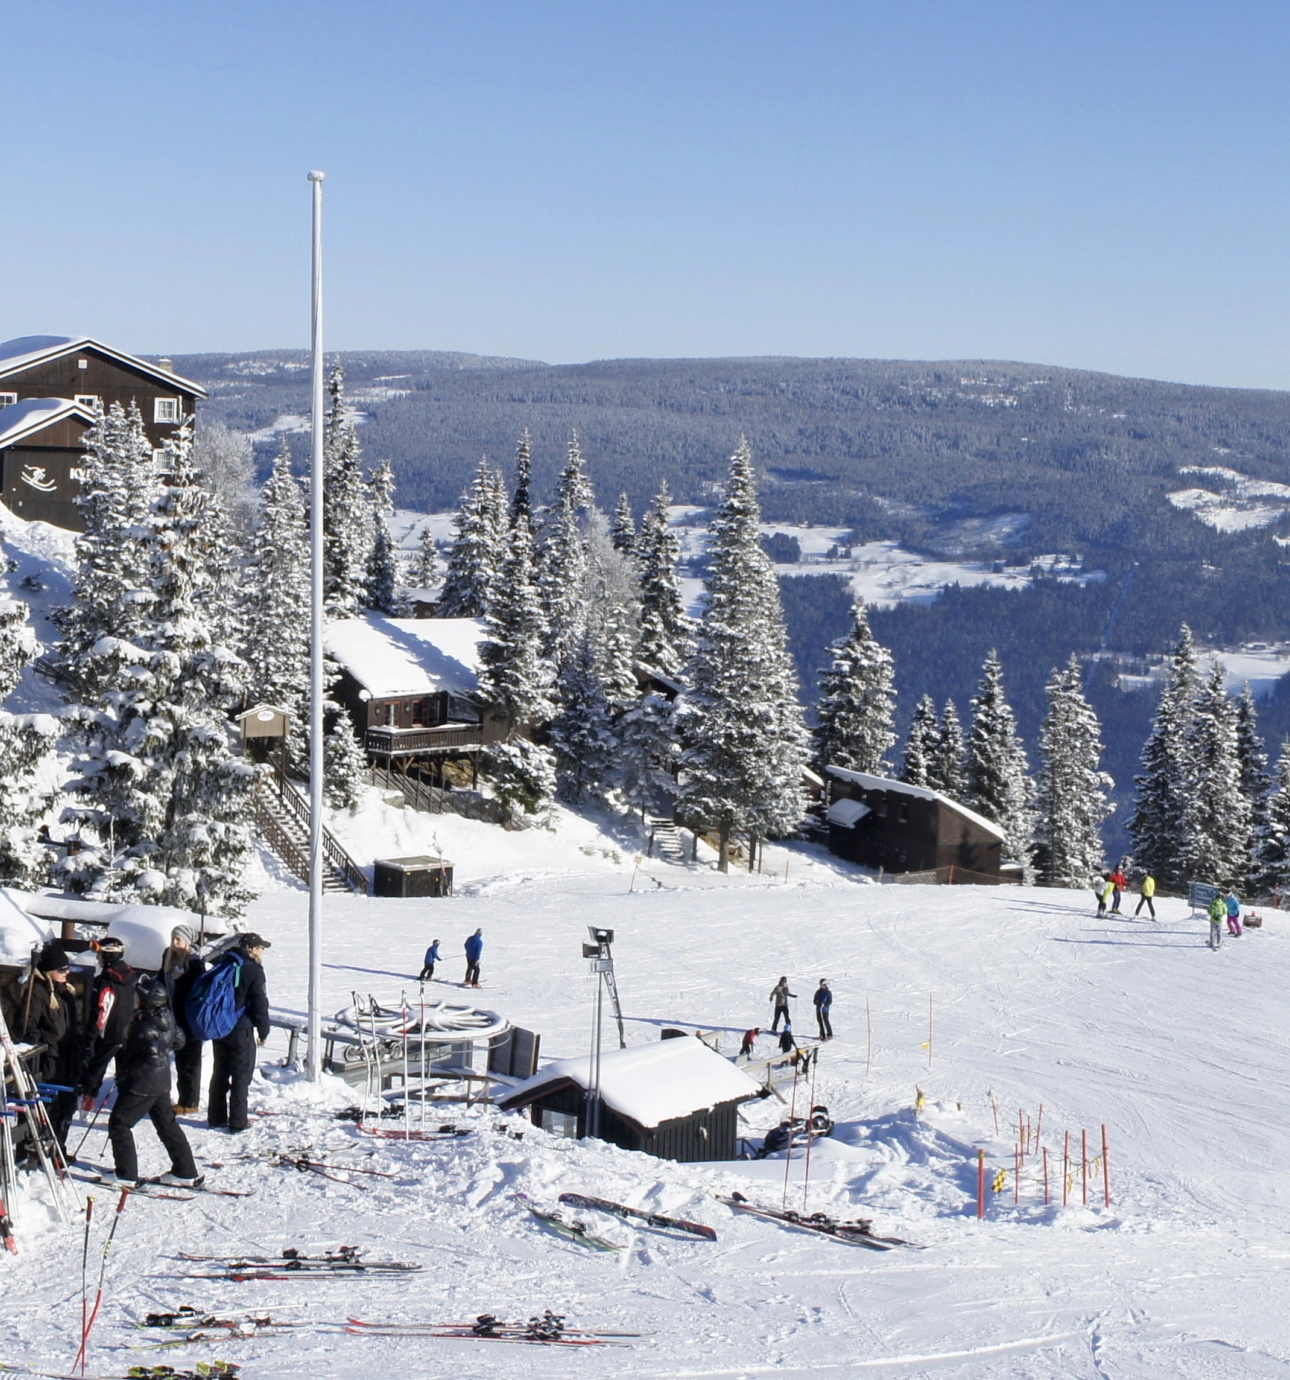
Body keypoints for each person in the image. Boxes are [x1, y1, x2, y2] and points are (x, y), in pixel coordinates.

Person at [101, 974, 201, 1188]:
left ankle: (126, 1175)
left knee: (120, 1124)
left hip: (142, 1083)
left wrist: (126, 1073)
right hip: (161, 1080)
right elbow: (179, 1040)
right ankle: (185, 1171)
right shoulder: (166, 1017)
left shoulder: (143, 1025)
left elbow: (147, 1053)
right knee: (167, 1124)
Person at [18, 941, 84, 1157]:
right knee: (47, 1107)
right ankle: (35, 1149)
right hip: (49, 1059)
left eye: (67, 968)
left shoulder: (65, 993)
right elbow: (27, 1025)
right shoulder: (37, 992)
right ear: (49, 971)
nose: (67, 973)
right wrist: (37, 1040)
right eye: (61, 969)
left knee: (66, 1106)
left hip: (68, 1057)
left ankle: (58, 1147)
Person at [207, 933, 272, 1134]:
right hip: (241, 1029)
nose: (262, 952)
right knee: (241, 1076)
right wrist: (264, 1030)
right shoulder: (254, 971)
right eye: (260, 948)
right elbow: (259, 1004)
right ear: (253, 950)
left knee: (220, 1073)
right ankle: (238, 1121)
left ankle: (216, 1118)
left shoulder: (225, 963)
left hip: (220, 1027)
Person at [79, 937, 137, 1111]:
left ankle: (87, 1102)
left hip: (109, 1032)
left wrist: (91, 1037)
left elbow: (100, 1010)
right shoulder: (131, 976)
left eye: (100, 955)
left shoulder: (106, 980)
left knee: (96, 1068)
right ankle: (127, 1105)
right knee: (125, 1071)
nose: (98, 959)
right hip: (128, 1031)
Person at [161, 925, 205, 1114]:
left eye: (178, 940)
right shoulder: (169, 958)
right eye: (173, 939)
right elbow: (161, 979)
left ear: (187, 941)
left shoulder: (195, 963)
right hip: (172, 1016)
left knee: (189, 1061)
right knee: (179, 1060)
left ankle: (189, 1102)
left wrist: (181, 980)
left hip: (189, 1019)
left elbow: (197, 990)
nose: (174, 944)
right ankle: (180, 1098)